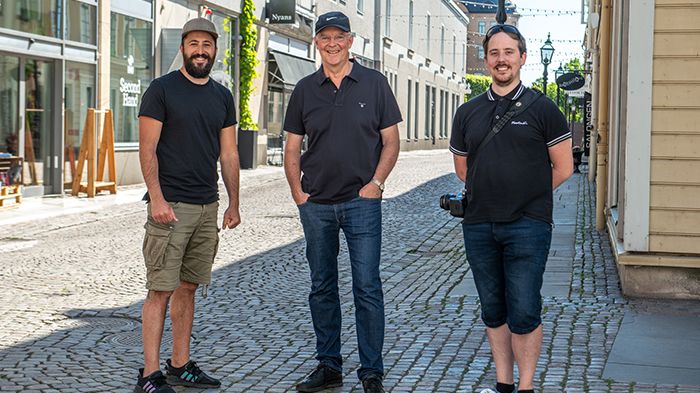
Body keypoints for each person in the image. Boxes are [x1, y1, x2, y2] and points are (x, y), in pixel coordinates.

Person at [449, 24, 573, 393]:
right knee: (493, 309)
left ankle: (526, 387)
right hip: (479, 224)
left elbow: (564, 167)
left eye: (508, 52)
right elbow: (462, 169)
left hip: (528, 225)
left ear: (522, 57)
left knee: (523, 310)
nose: (501, 60)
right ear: (486, 60)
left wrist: (525, 193)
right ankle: (504, 384)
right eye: (494, 53)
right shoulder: (467, 112)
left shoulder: (543, 108)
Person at [283, 11, 402, 393]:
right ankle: (329, 365)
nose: (332, 44)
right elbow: (291, 146)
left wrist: (377, 183)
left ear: (351, 41)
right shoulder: (304, 89)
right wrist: (297, 193)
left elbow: (391, 141)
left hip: (361, 202)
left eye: (339, 37)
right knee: (322, 285)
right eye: (325, 37)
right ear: (316, 42)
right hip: (316, 204)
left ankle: (371, 372)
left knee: (367, 285)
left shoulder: (374, 83)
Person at [134, 17, 241, 393]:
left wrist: (233, 203)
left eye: (207, 45)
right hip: (170, 206)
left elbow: (229, 155)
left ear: (215, 50)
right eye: (193, 44)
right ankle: (148, 374)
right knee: (159, 290)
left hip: (206, 206)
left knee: (188, 288)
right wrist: (157, 199)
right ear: (183, 48)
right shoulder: (161, 90)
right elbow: (147, 149)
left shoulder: (222, 96)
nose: (200, 50)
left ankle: (180, 364)